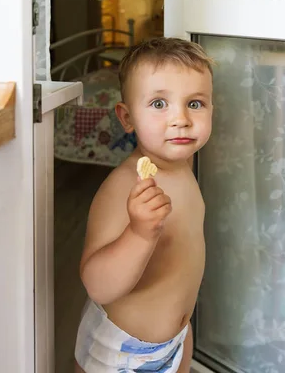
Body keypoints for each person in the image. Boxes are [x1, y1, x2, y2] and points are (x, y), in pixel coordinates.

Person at [74, 37, 214, 373]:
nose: (180, 118)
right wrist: (138, 234)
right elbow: (97, 285)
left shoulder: (184, 169)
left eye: (195, 104)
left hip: (175, 341)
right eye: (158, 104)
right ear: (127, 117)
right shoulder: (124, 187)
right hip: (122, 354)